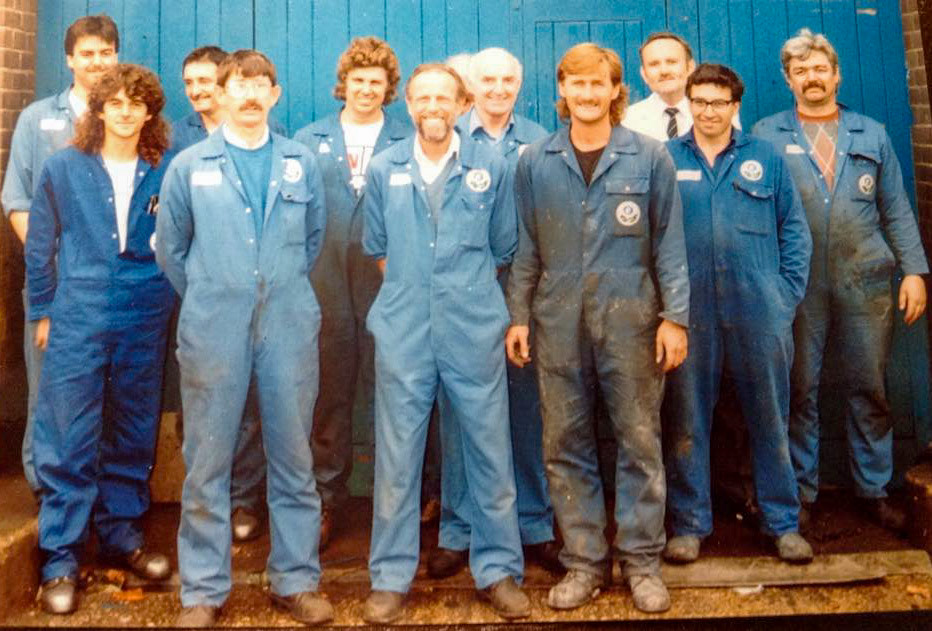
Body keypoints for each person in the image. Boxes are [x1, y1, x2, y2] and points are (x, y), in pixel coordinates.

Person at [505, 42, 689, 614]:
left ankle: (640, 563)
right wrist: (518, 316)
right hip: (557, 320)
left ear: (615, 91)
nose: (587, 94)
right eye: (575, 84)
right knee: (565, 444)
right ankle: (583, 562)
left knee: (639, 441)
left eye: (597, 84)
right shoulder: (535, 160)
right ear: (562, 91)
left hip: (631, 320)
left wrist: (675, 317)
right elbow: (527, 250)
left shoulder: (649, 156)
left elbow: (670, 246)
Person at [157, 49, 331, 627]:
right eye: (240, 85)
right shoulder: (190, 165)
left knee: (293, 455)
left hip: (286, 323)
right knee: (207, 458)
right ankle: (204, 591)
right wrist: (217, 291)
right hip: (214, 327)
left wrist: (269, 290)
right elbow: (172, 251)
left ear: (274, 95)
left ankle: (296, 581)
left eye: (262, 85)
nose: (251, 94)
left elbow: (313, 241)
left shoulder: (300, 162)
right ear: (223, 94)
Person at [362, 63, 528, 623]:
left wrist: (460, 295)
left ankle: (499, 568)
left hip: (472, 326)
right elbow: (379, 248)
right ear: (408, 104)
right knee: (398, 454)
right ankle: (389, 577)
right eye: (421, 98)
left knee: (488, 449)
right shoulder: (387, 167)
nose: (432, 107)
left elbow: (505, 246)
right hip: (406, 327)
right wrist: (418, 294)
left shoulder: (493, 164)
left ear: (462, 104)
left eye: (443, 98)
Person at [753, 29, 929, 533]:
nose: (812, 78)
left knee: (869, 385)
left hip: (865, 277)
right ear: (788, 79)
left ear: (837, 75)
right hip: (795, 282)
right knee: (798, 386)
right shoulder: (767, 135)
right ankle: (801, 492)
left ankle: (873, 489)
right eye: (801, 71)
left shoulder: (870, 133)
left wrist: (914, 270)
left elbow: (895, 208)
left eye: (820, 69)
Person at [26, 63, 174, 615]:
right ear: (100, 109)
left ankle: (123, 536)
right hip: (79, 313)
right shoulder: (63, 168)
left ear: (149, 112)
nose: (128, 111)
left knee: (134, 426)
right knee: (68, 430)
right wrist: (43, 310)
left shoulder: (165, 168)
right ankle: (60, 558)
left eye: (138, 103)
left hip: (144, 311)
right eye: (117, 102)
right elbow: (40, 246)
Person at [662, 63, 814, 564]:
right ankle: (689, 525)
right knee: (688, 418)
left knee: (770, 417)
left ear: (735, 107)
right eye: (699, 102)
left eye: (718, 103)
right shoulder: (665, 159)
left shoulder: (765, 158)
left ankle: (782, 521)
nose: (708, 111)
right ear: (688, 104)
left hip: (758, 312)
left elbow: (794, 231)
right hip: (691, 315)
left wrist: (782, 298)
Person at [428, 46, 561, 581]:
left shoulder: (539, 141)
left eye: (508, 79)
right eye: (488, 80)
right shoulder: (450, 141)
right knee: (462, 415)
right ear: (471, 86)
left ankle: (534, 525)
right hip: (466, 298)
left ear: (519, 85)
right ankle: (460, 529)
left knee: (528, 410)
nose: (498, 89)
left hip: (526, 293)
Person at [293, 36, 410, 549]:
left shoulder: (405, 139)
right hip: (327, 289)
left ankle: (408, 500)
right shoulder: (309, 137)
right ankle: (324, 500)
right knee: (331, 398)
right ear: (345, 84)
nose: (366, 89)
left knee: (399, 395)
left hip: (389, 286)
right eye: (358, 81)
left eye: (376, 82)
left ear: (389, 89)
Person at [2, 14, 118, 499]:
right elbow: (17, 200)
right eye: (86, 54)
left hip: (110, 281)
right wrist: (48, 261)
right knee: (48, 387)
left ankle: (99, 493)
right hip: (53, 280)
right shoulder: (38, 118)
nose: (96, 62)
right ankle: (45, 490)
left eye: (105, 52)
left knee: (108, 390)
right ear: (69, 59)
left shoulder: (128, 114)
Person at [170, 44, 279, 544]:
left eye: (206, 82)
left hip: (270, 311)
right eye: (189, 83)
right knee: (209, 425)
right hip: (210, 307)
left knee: (257, 412)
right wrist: (207, 289)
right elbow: (172, 245)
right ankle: (203, 573)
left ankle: (245, 502)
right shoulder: (182, 147)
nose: (199, 92)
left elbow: (310, 233)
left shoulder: (286, 154)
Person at [623, 32, 739, 141]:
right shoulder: (628, 119)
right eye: (654, 64)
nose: (664, 71)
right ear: (644, 74)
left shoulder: (720, 112)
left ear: (690, 67)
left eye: (672, 62)